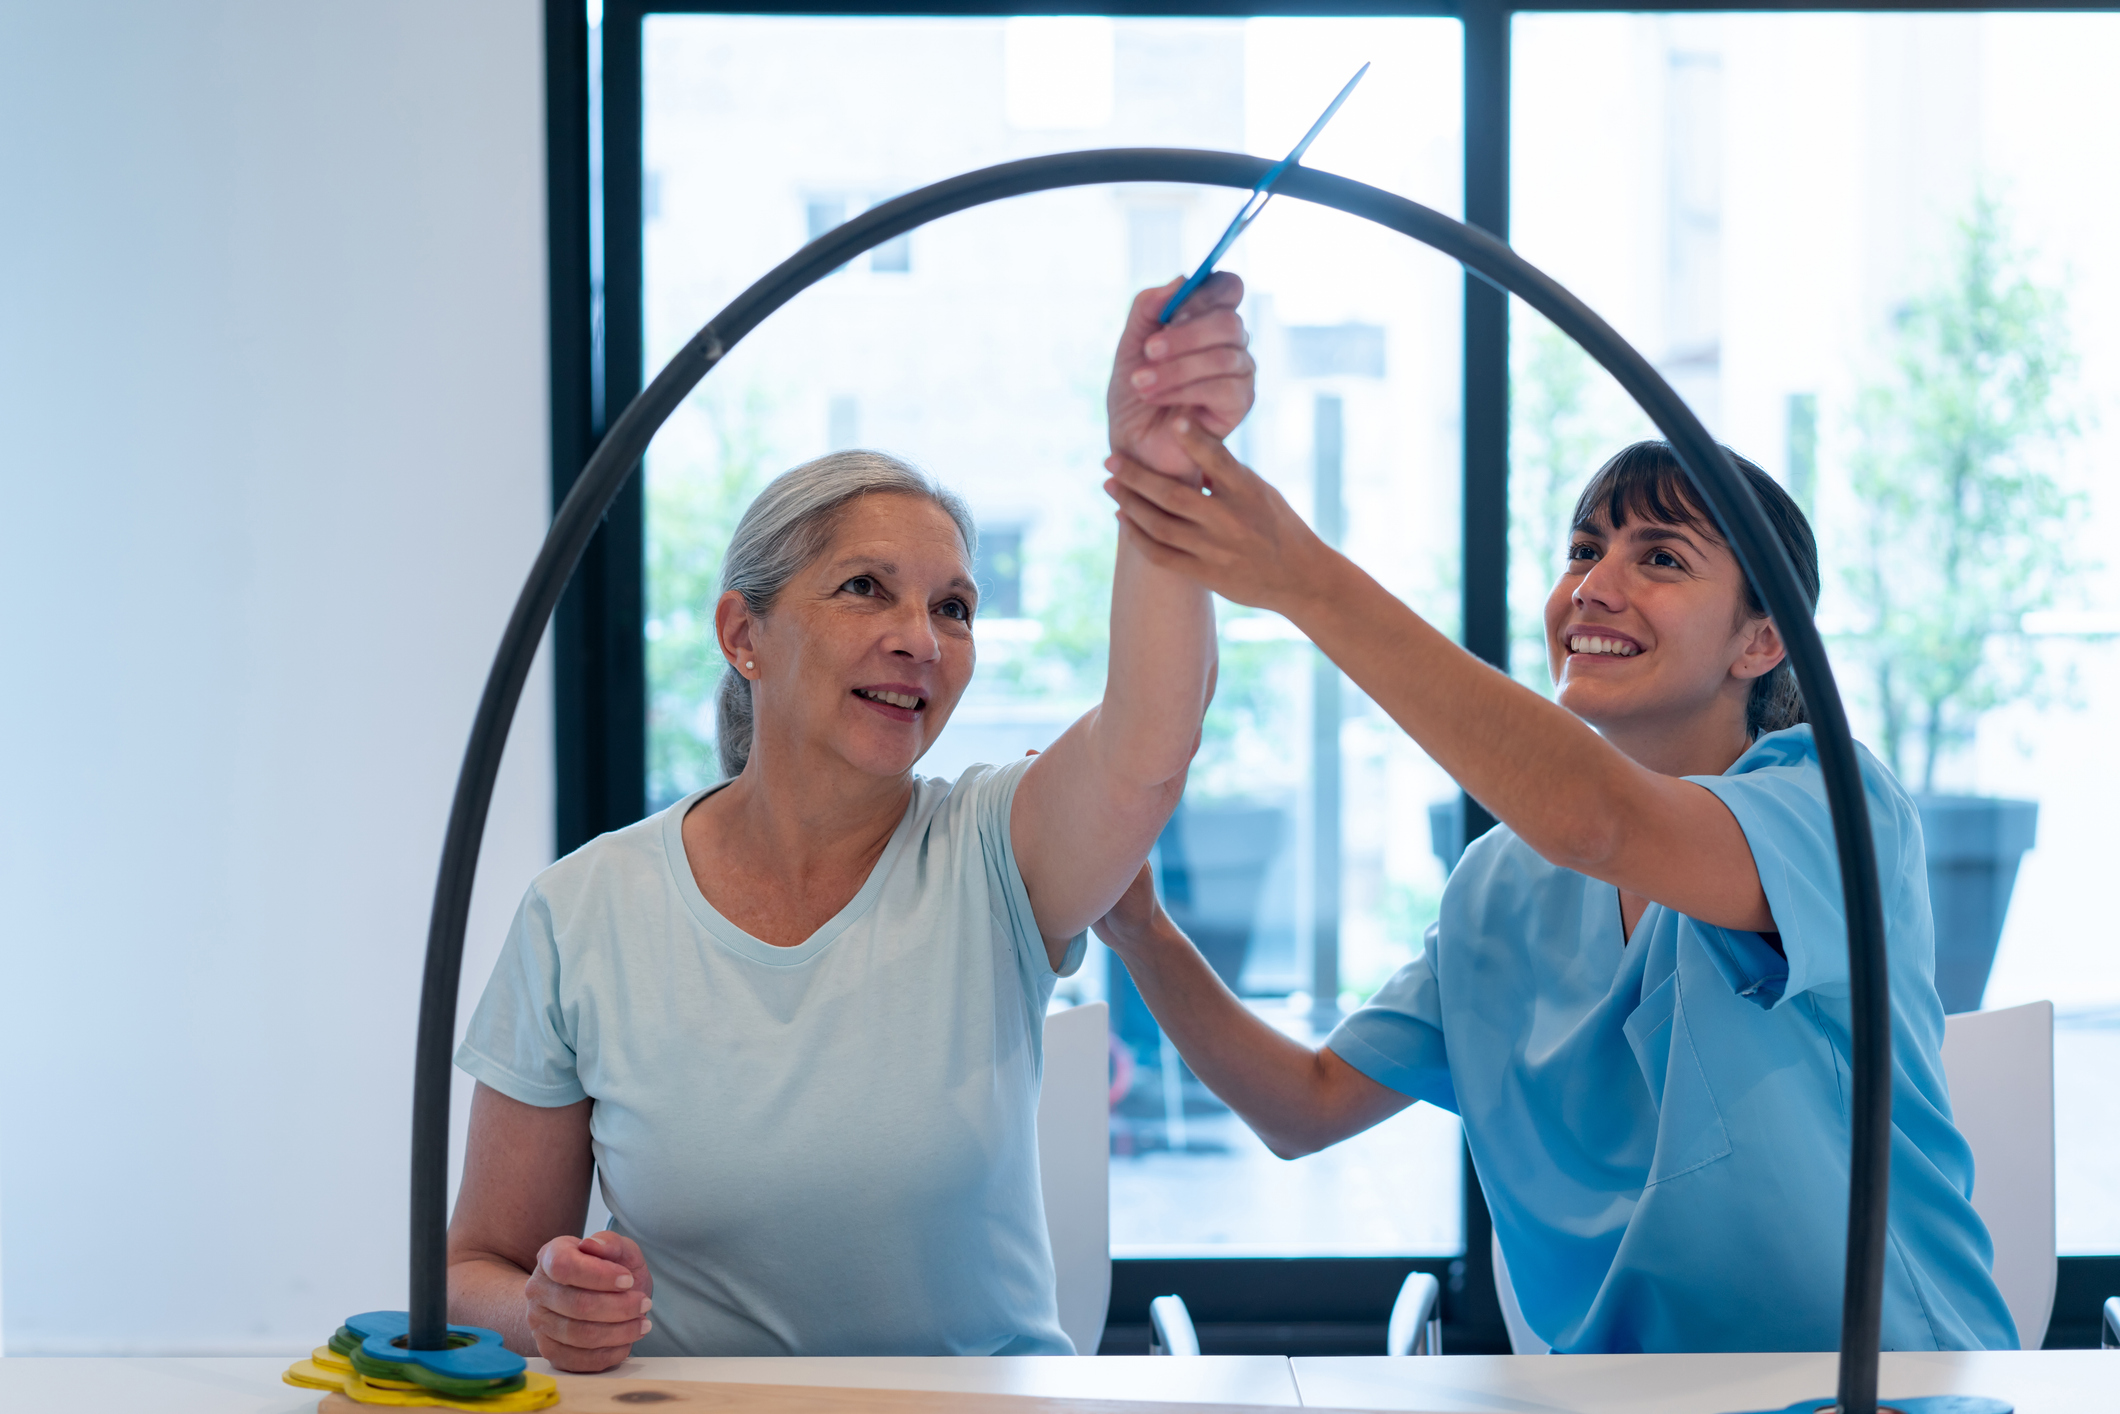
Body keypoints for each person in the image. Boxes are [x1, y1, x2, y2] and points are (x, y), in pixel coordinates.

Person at [444, 274, 1253, 1367]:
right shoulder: (584, 909)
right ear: (744, 633)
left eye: (953, 607)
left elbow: (1152, 736)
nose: (920, 637)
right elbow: (476, 1263)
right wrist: (541, 1305)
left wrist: (1159, 466)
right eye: (867, 588)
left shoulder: (994, 852)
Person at [1093, 433, 2016, 1353]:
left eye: (1659, 557)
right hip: (1616, 1396)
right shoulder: (1503, 885)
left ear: (1762, 638)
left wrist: (1304, 580)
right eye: (1583, 551)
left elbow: (1600, 818)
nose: (1593, 587)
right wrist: (1141, 931)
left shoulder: (1831, 809)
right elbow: (1304, 1106)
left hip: (1882, 1381)